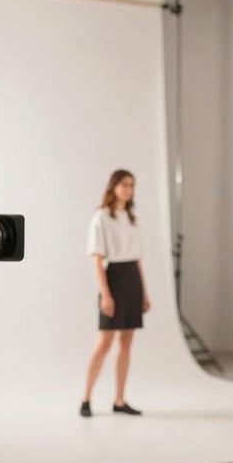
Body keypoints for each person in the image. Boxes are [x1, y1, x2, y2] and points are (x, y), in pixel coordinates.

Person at [80, 169, 150, 417]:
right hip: (114, 278)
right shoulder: (101, 217)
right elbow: (97, 259)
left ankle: (119, 399)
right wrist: (105, 294)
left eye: (132, 185)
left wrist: (144, 293)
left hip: (132, 278)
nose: (128, 189)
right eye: (124, 185)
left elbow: (138, 259)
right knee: (104, 342)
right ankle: (86, 398)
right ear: (113, 187)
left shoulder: (132, 218)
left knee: (127, 341)